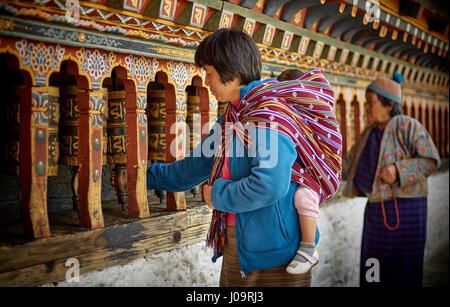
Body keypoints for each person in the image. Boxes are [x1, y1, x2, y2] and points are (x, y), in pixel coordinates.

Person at [145, 28, 342, 287]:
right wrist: (145, 179)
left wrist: (218, 195)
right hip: (239, 242)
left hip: (275, 252)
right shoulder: (233, 117)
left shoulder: (267, 114)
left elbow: (269, 185)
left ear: (232, 72)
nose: (206, 82)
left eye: (209, 73)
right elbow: (195, 167)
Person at [342, 73, 441, 287]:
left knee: (403, 270)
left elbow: (432, 160)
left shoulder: (408, 126)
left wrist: (399, 170)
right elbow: (350, 162)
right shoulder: (369, 132)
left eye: (370, 102)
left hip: (407, 211)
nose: (366, 107)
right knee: (373, 265)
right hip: (376, 210)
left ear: (388, 104)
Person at [276, 69, 334, 275]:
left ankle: (309, 248)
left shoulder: (315, 115)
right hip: (301, 168)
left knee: (303, 197)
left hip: (314, 172)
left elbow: (324, 145)